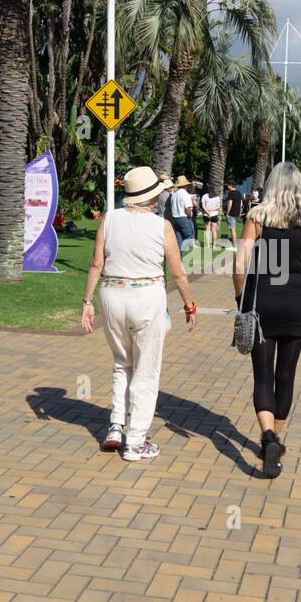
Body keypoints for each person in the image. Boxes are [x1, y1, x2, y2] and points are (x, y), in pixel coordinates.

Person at [81, 166, 198, 461]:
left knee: (122, 363)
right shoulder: (162, 226)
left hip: (112, 295)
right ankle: (135, 441)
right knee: (146, 369)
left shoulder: (109, 219)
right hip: (146, 297)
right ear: (152, 198)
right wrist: (189, 305)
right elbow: (177, 272)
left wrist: (86, 302)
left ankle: (116, 426)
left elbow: (96, 264)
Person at [233, 162, 301, 479]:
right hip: (298, 303)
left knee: (262, 377)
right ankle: (276, 438)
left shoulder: (257, 218)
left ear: (271, 186)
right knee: (285, 376)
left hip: (262, 304)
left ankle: (267, 436)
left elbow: (239, 265)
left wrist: (240, 299)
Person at [200, 185, 222, 249]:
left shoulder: (205, 196)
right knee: (214, 231)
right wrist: (212, 210)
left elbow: (203, 206)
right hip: (214, 215)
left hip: (206, 215)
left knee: (207, 230)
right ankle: (214, 245)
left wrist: (208, 212)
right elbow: (218, 207)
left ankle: (207, 245)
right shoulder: (217, 197)